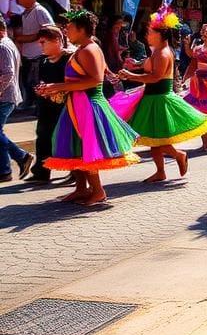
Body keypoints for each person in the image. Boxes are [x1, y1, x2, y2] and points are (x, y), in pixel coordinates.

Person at [35, 10, 140, 204]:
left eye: (70, 28)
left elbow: (94, 81)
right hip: (77, 104)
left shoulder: (89, 49)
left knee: (88, 147)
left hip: (88, 106)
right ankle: (81, 188)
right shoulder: (83, 48)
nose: (66, 31)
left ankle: (98, 191)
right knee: (75, 146)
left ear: (82, 29)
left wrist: (58, 87)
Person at [113, 10, 207, 182]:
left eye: (151, 32)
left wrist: (131, 76)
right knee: (154, 139)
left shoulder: (162, 52)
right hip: (152, 97)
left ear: (161, 35)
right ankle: (161, 171)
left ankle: (179, 155)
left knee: (157, 138)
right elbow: (150, 67)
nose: (147, 35)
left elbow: (155, 76)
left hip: (159, 99)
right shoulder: (158, 51)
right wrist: (135, 65)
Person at [27, 26, 71, 183]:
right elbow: (39, 82)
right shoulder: (43, 61)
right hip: (46, 107)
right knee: (43, 136)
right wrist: (40, 89)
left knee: (66, 138)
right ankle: (41, 171)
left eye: (43, 42)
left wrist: (56, 90)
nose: (41, 45)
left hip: (65, 107)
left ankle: (75, 171)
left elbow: (73, 83)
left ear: (57, 41)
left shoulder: (69, 60)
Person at [1, 16, 34, 182]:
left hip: (4, 97)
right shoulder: (8, 44)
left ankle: (22, 157)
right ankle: (5, 170)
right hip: (7, 96)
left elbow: (7, 74)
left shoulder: (2, 46)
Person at [12, 0, 54, 110]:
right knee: (28, 82)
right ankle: (30, 103)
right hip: (28, 54)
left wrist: (26, 38)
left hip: (38, 55)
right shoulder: (26, 11)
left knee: (37, 83)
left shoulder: (39, 11)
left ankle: (39, 107)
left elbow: (48, 30)